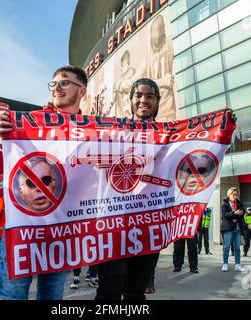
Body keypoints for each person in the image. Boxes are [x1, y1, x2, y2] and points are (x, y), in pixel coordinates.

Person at [0, 65, 87, 300]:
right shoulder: (30, 121)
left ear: (82, 91)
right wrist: (2, 142)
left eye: (64, 82)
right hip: (22, 230)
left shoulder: (90, 131)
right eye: (53, 83)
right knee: (11, 296)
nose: (57, 87)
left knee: (52, 299)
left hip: (63, 234)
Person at [95, 78, 162, 300]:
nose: (144, 100)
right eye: (139, 95)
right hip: (114, 223)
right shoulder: (114, 131)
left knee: (136, 291)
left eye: (150, 96)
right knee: (110, 289)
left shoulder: (168, 135)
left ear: (157, 101)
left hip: (149, 225)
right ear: (131, 100)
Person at [220, 187, 244, 272]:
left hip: (237, 228)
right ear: (229, 194)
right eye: (234, 194)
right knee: (226, 247)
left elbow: (242, 213)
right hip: (228, 228)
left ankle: (237, 264)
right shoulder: (225, 204)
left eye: (236, 194)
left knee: (237, 247)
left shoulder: (240, 203)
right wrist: (234, 213)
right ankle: (225, 264)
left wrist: (238, 214)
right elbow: (224, 216)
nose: (235, 196)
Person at [113, 50, 136, 118]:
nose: (122, 68)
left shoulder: (132, 72)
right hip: (122, 116)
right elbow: (113, 98)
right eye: (122, 65)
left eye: (123, 65)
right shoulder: (118, 80)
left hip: (128, 115)